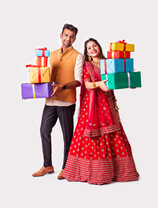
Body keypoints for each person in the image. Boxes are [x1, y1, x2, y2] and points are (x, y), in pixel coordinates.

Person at [63, 38, 139, 185]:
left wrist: (130, 82)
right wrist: (98, 84)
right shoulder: (88, 65)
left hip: (107, 102)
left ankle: (118, 171)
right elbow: (86, 84)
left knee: (113, 132)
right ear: (87, 53)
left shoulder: (108, 62)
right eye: (89, 48)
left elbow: (118, 79)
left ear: (99, 47)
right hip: (91, 106)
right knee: (88, 135)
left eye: (94, 46)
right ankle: (88, 171)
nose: (92, 49)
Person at [32, 24, 84, 179]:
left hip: (66, 103)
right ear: (61, 35)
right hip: (50, 101)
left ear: (75, 38)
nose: (68, 38)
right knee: (44, 131)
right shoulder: (51, 54)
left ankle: (66, 168)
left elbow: (78, 81)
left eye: (71, 36)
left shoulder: (78, 56)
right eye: (66, 35)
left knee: (67, 136)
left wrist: (63, 86)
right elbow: (45, 75)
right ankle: (47, 165)